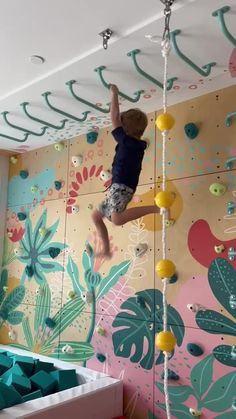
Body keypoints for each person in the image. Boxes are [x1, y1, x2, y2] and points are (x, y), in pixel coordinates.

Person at [91, 84, 160, 258]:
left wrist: (114, 94)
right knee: (96, 216)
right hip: (121, 186)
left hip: (121, 186)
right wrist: (115, 95)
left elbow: (114, 116)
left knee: (117, 219)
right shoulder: (135, 144)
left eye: (121, 126)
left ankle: (155, 208)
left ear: (126, 129)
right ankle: (106, 249)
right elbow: (115, 119)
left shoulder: (127, 141)